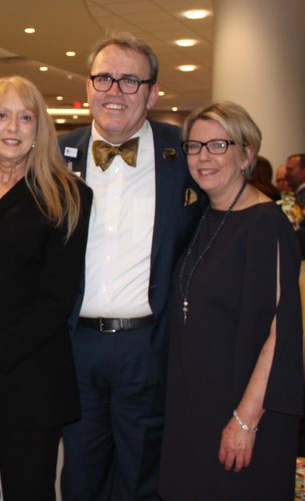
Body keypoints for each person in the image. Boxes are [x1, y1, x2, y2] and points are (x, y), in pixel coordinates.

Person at [58, 32, 205, 501]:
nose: (114, 91)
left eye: (129, 80)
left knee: (142, 473)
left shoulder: (184, 153)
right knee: (79, 470)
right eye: (104, 78)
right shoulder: (55, 156)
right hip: (73, 344)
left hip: (149, 344)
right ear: (87, 87)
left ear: (152, 92)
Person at [0, 75, 92, 500]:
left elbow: (55, 301)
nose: (12, 127)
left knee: (30, 490)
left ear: (39, 129)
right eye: (2, 115)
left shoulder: (68, 195)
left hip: (31, 384)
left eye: (25, 117)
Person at [159, 100, 303, 500]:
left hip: (242, 410)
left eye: (218, 145)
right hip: (195, 405)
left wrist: (246, 419)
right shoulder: (206, 215)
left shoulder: (266, 223)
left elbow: (281, 332)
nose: (203, 157)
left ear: (246, 154)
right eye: (194, 146)